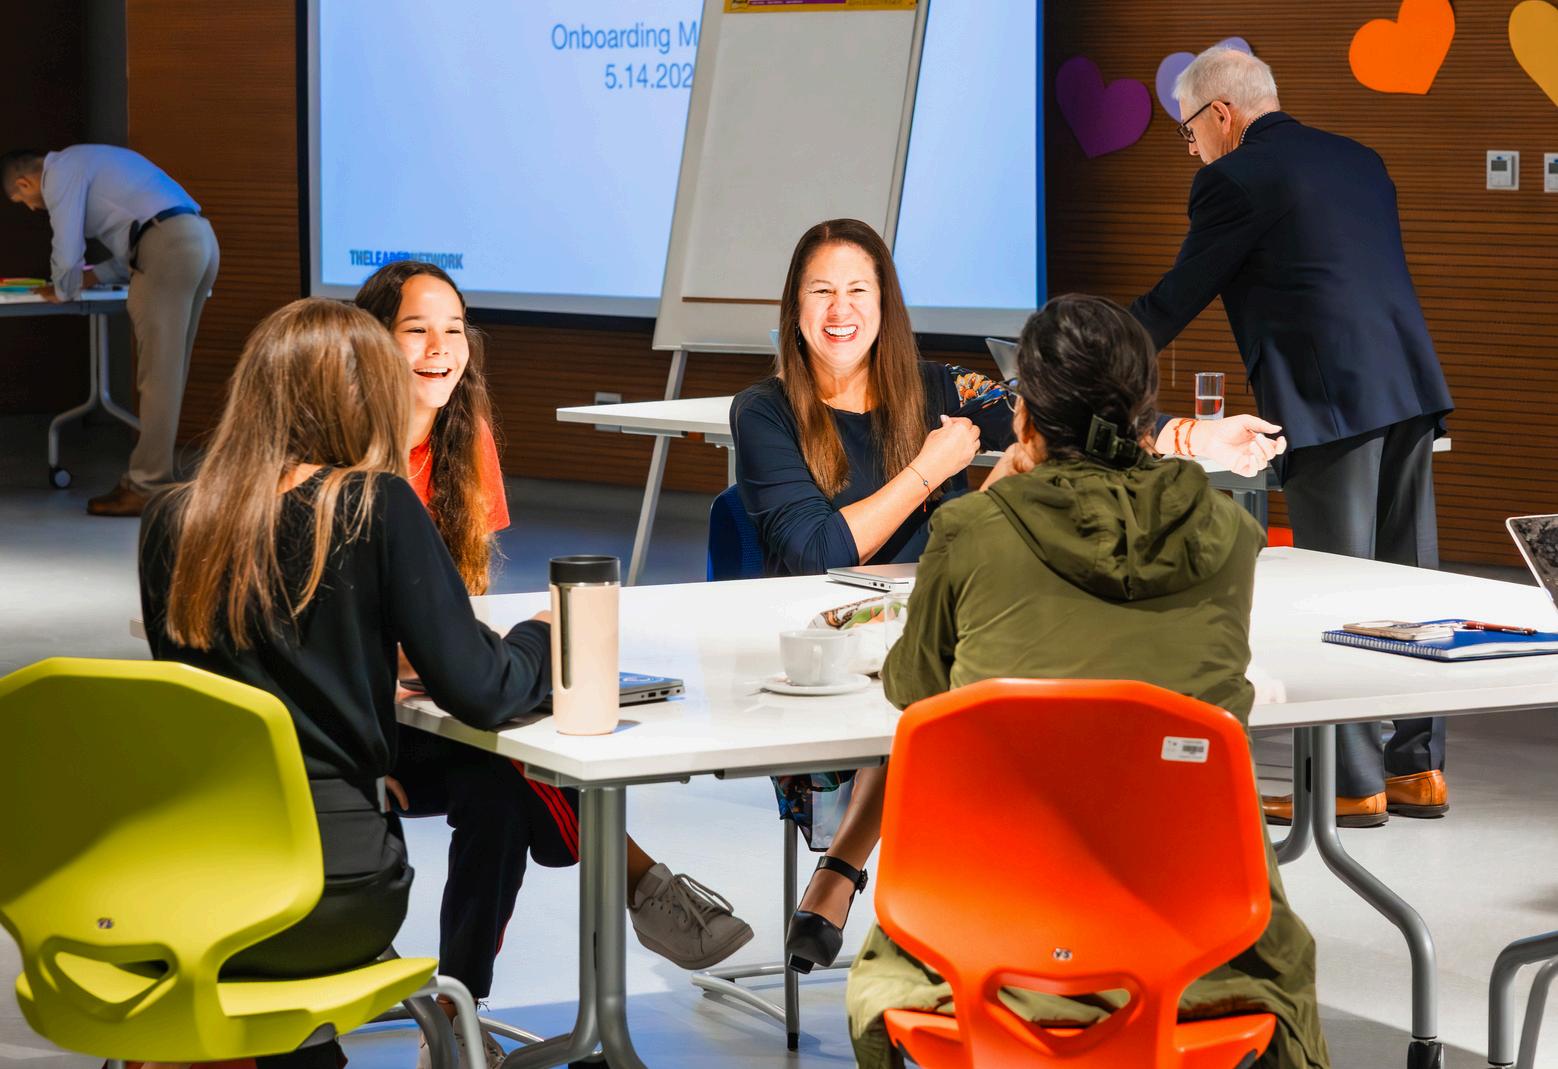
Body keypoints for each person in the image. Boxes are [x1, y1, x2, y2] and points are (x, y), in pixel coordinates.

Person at [845, 294, 1330, 1069]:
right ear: (1145, 413)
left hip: (981, 945)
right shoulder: (1228, 533)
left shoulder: (974, 530)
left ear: (1025, 417)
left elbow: (915, 686)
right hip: (1202, 949)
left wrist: (996, 494)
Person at [352, 262, 751, 1067]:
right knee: (516, 729)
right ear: (370, 342)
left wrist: (461, 655)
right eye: (416, 330)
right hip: (365, 719)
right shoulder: (349, 452)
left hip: (433, 699)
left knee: (503, 782)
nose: (439, 349)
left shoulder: (465, 439)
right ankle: (642, 881)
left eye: (454, 330)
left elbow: (458, 602)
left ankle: (457, 1014)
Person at [136, 298, 552, 1069]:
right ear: (364, 397)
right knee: (504, 778)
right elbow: (485, 689)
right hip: (332, 884)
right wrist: (545, 635)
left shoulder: (172, 519)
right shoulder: (375, 504)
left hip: (193, 875)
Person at [1128, 46, 1455, 827]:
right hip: (1407, 387)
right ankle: (1419, 768)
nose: (1192, 150)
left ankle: (1351, 782)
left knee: (1337, 593)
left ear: (1221, 114)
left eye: (1188, 132)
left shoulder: (1234, 178)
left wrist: (1080, 353)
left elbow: (1176, 298)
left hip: (1331, 401)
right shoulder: (1360, 159)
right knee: (1411, 585)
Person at [730, 218, 1016, 974]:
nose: (840, 309)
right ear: (794, 306)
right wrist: (930, 469)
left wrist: (1189, 436)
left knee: (952, 682)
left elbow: (1059, 412)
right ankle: (927, 934)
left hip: (938, 640)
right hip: (826, 654)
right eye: (821, 291)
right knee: (938, 701)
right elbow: (818, 550)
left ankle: (847, 877)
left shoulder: (939, 387)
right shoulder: (763, 409)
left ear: (885, 303)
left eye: (858, 290)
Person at [3, 145, 219, 516]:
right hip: (199, 239)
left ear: (24, 183)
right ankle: (152, 480)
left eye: (21, 199)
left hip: (168, 246)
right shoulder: (89, 160)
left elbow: (67, 247)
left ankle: (147, 486)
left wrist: (63, 288)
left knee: (158, 376)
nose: (31, 208)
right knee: (170, 372)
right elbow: (139, 234)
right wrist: (93, 276)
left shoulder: (60, 173)